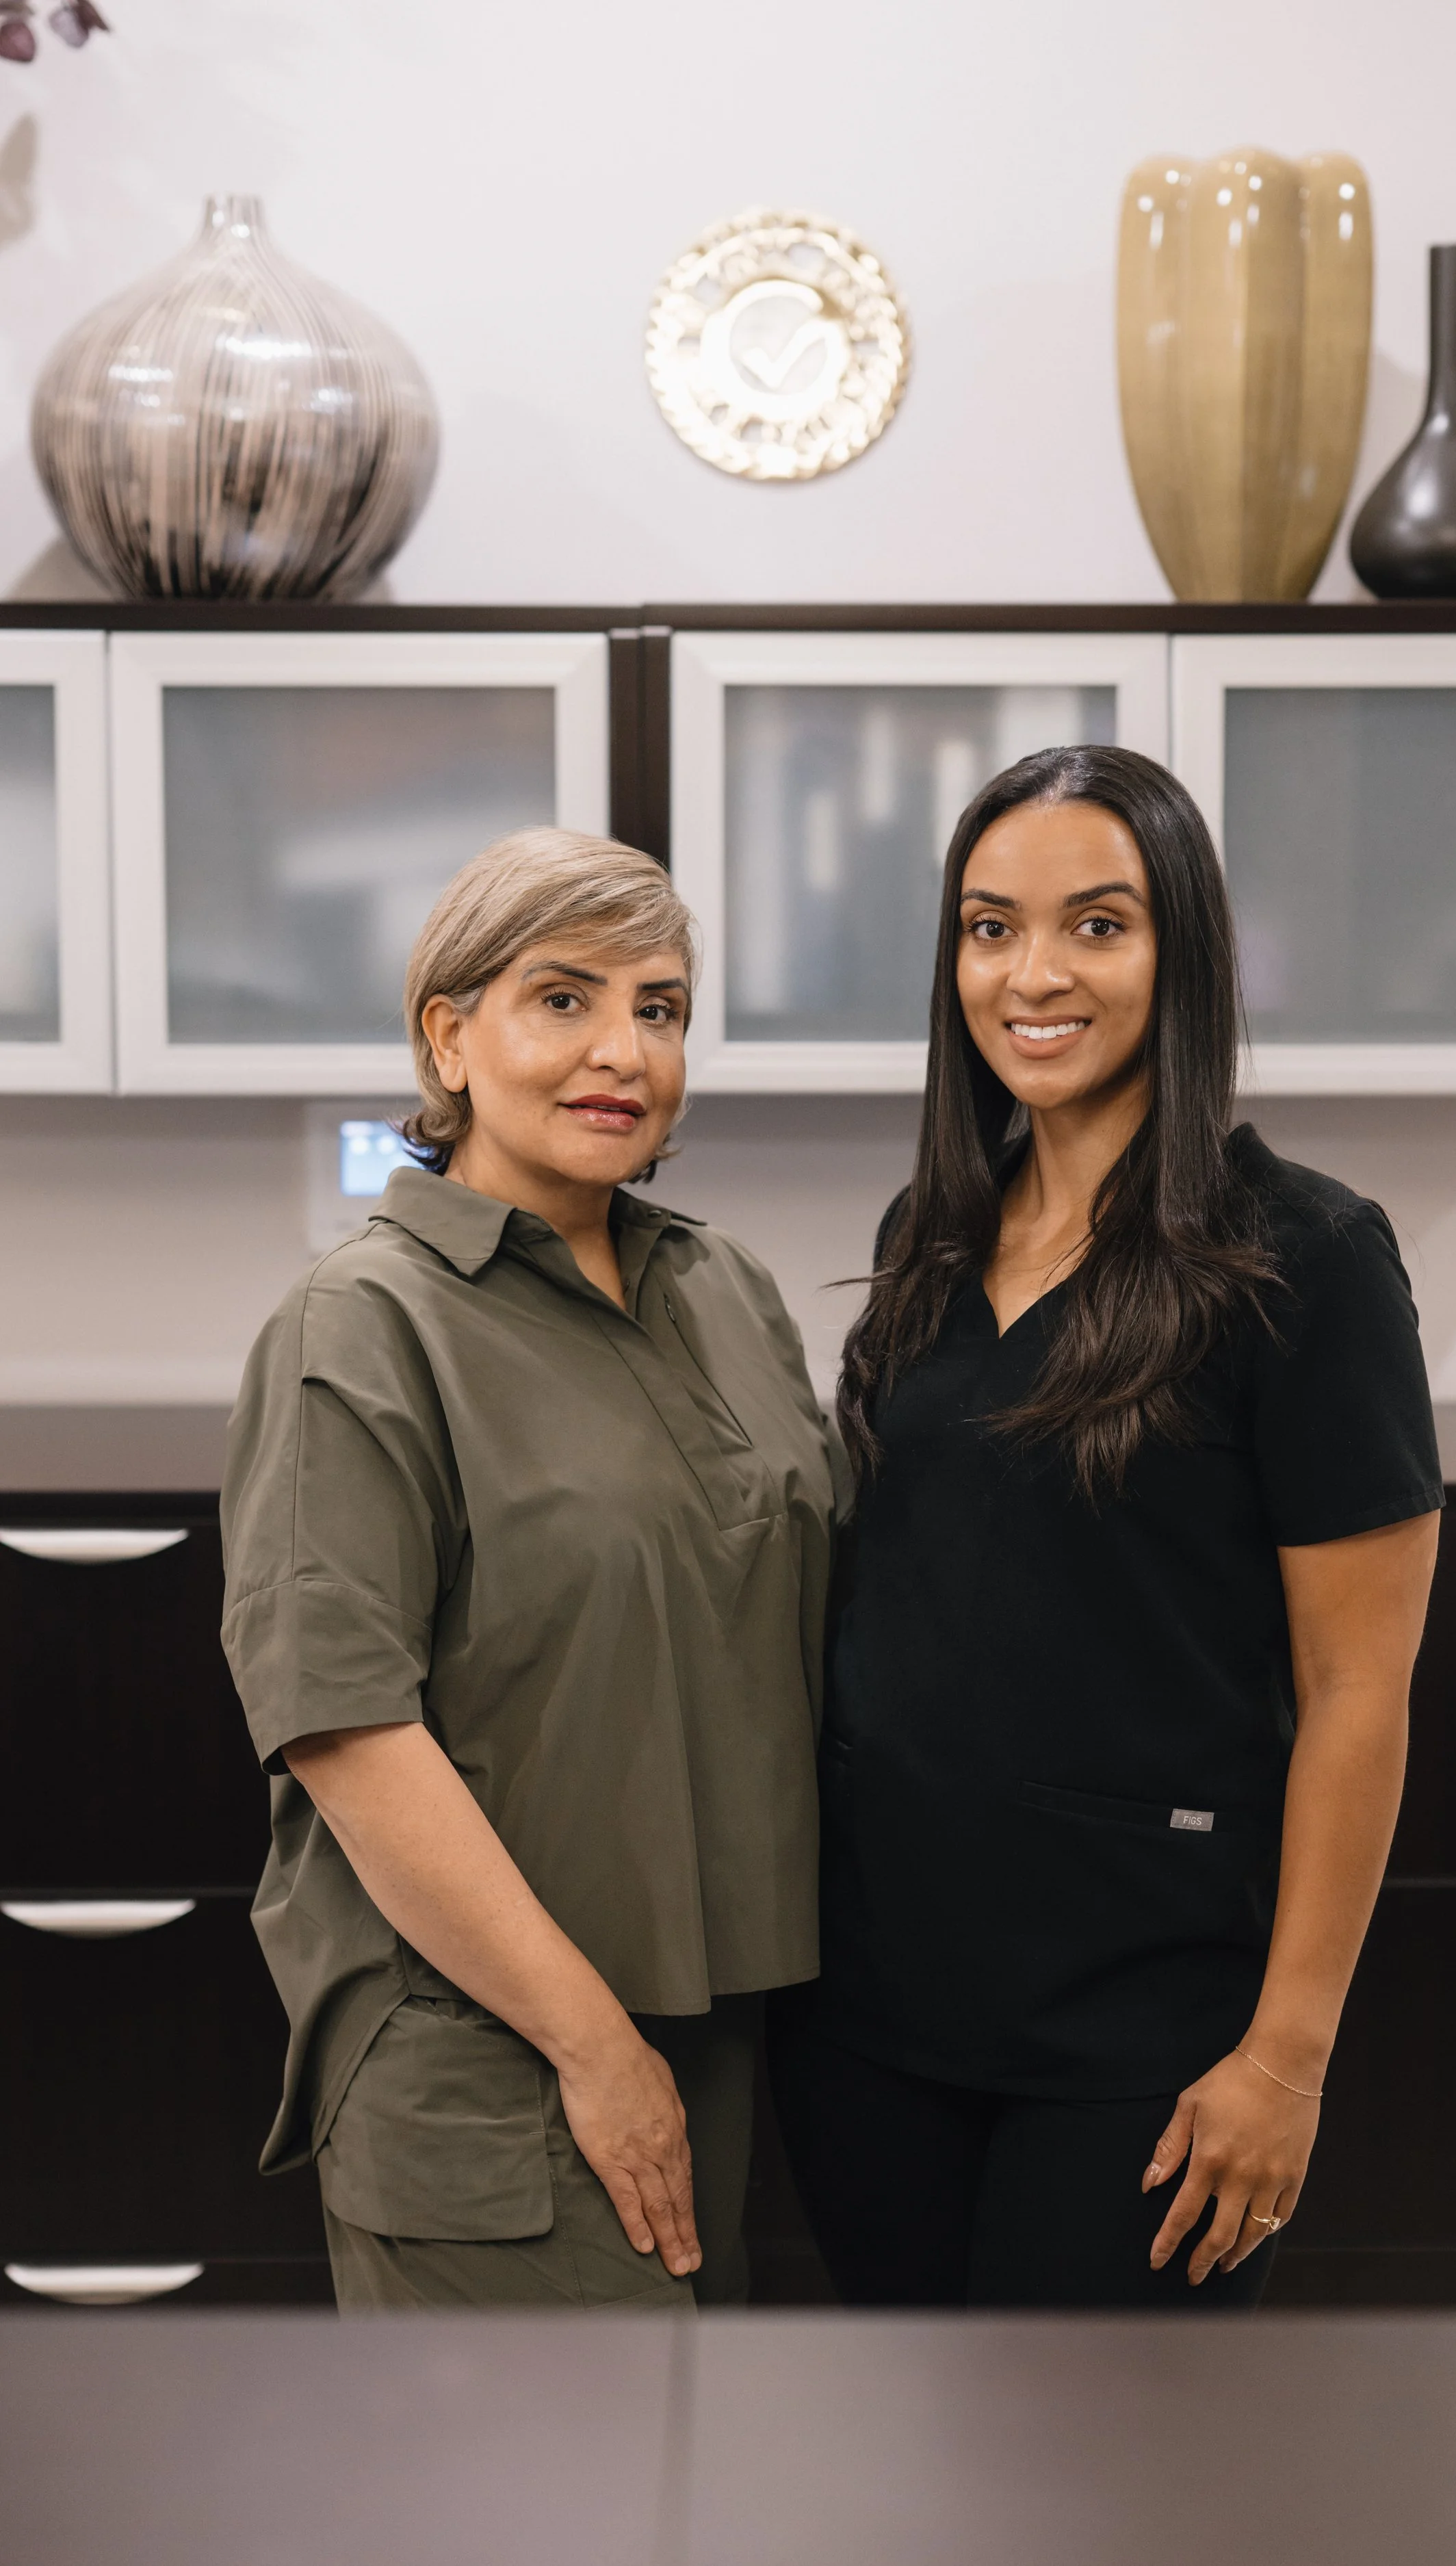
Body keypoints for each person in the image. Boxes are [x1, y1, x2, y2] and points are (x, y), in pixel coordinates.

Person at [768, 744, 1442, 2311]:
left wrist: (1285, 2060)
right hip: (872, 2015)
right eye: (988, 927)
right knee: (905, 2439)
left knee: (1093, 2459)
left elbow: (1357, 1693)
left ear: (1178, 949)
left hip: (1142, 2034)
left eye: (1095, 924)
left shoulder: (1306, 1259)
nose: (1032, 975)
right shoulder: (932, 1232)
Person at [222, 828, 837, 2311]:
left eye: (658, 1008)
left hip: (737, 2028)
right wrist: (593, 2047)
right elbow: (349, 1734)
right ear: (450, 1034)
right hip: (499, 2058)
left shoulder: (724, 1288)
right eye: (563, 998)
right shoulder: (362, 1326)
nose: (622, 1050)